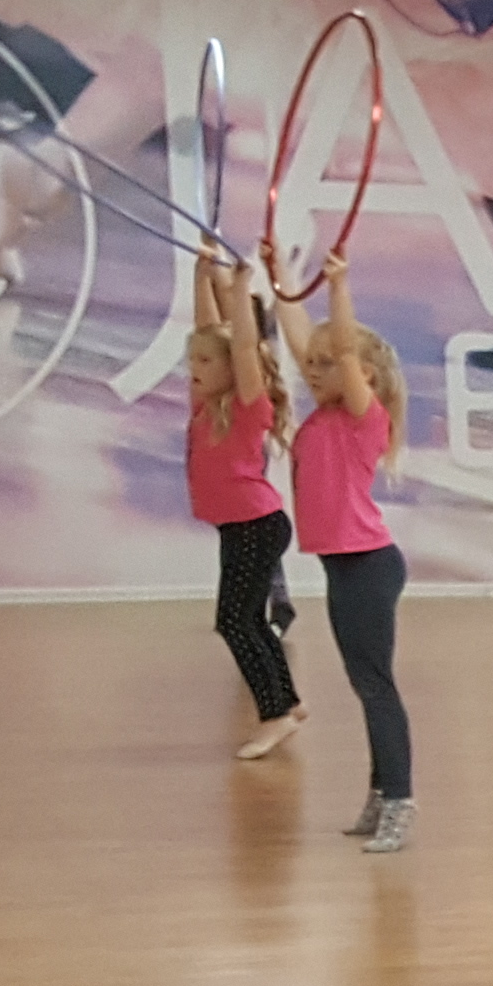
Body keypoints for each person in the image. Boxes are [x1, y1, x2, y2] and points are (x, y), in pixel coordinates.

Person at [277, 256, 414, 850]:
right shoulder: (325, 414)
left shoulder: (364, 418)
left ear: (364, 376)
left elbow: (342, 349)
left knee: (376, 686)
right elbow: (301, 337)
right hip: (345, 567)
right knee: (366, 684)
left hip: (367, 565)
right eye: (311, 364)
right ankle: (381, 794)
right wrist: (281, 281)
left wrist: (338, 286)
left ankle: (399, 801)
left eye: (326, 364)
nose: (313, 370)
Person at [178, 243, 305, 760]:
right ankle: (288, 703)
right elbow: (211, 332)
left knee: (235, 621)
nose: (194, 368)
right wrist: (200, 277)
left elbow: (244, 347)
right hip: (242, 525)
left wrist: (239, 290)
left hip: (256, 523)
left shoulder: (249, 405)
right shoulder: (205, 402)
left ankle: (275, 715)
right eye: (192, 360)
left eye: (205, 362)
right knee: (248, 619)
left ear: (232, 368)